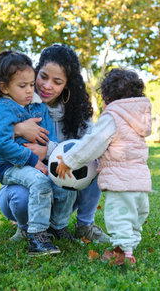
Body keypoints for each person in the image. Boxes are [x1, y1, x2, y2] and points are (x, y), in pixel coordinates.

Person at [0, 44, 110, 244]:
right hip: (25, 183)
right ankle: (26, 228)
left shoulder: (77, 113)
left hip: (64, 186)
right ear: (35, 72)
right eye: (43, 77)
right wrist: (18, 129)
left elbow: (92, 147)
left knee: (97, 164)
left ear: (67, 85)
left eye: (57, 82)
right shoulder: (15, 102)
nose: (47, 86)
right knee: (23, 197)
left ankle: (84, 226)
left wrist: (49, 150)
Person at [56, 68, 152, 264]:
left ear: (108, 97)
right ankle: (130, 244)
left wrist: (70, 161)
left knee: (119, 218)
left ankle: (124, 254)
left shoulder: (112, 117)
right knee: (136, 216)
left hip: (121, 184)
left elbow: (93, 143)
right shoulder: (139, 118)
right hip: (141, 183)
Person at [0, 50, 59, 256]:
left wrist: (47, 154)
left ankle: (58, 227)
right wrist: (32, 160)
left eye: (31, 85)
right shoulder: (1, 108)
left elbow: (51, 138)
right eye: (23, 86)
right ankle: (37, 238)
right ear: (4, 87)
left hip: (36, 162)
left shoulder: (39, 106)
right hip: (8, 166)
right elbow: (2, 143)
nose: (30, 91)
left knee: (61, 183)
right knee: (40, 182)